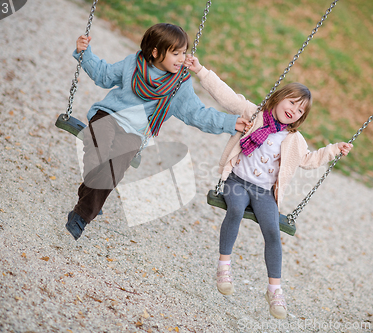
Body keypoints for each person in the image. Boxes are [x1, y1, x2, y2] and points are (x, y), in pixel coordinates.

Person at [184, 55, 353, 319]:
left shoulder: (293, 139)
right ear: (279, 97)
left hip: (263, 193)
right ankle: (224, 266)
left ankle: (274, 290)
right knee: (236, 210)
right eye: (292, 103)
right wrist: (201, 71)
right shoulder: (255, 114)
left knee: (272, 231)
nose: (293, 111)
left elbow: (308, 160)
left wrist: (333, 150)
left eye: (300, 111)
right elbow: (226, 96)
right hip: (236, 181)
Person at [65, 23, 250, 241]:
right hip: (108, 116)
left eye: (183, 52)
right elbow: (104, 75)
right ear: (155, 51)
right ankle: (95, 195)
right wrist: (84, 53)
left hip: (135, 133)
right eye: (175, 53)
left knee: (113, 166)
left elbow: (197, 113)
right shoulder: (133, 64)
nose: (182, 59)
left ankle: (82, 214)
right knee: (98, 153)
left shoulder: (179, 85)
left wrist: (229, 122)